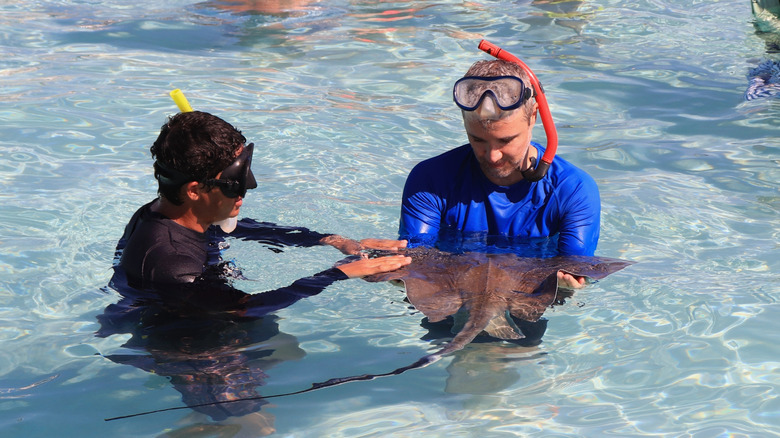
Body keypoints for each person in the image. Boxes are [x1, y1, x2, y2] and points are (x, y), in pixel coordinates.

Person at [398, 58, 601, 290]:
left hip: (526, 299)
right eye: (478, 139)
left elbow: (574, 276)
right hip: (450, 297)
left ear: (533, 116)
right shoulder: (429, 180)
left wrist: (564, 286)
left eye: (506, 140)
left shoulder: (573, 189)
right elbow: (416, 260)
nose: (493, 156)